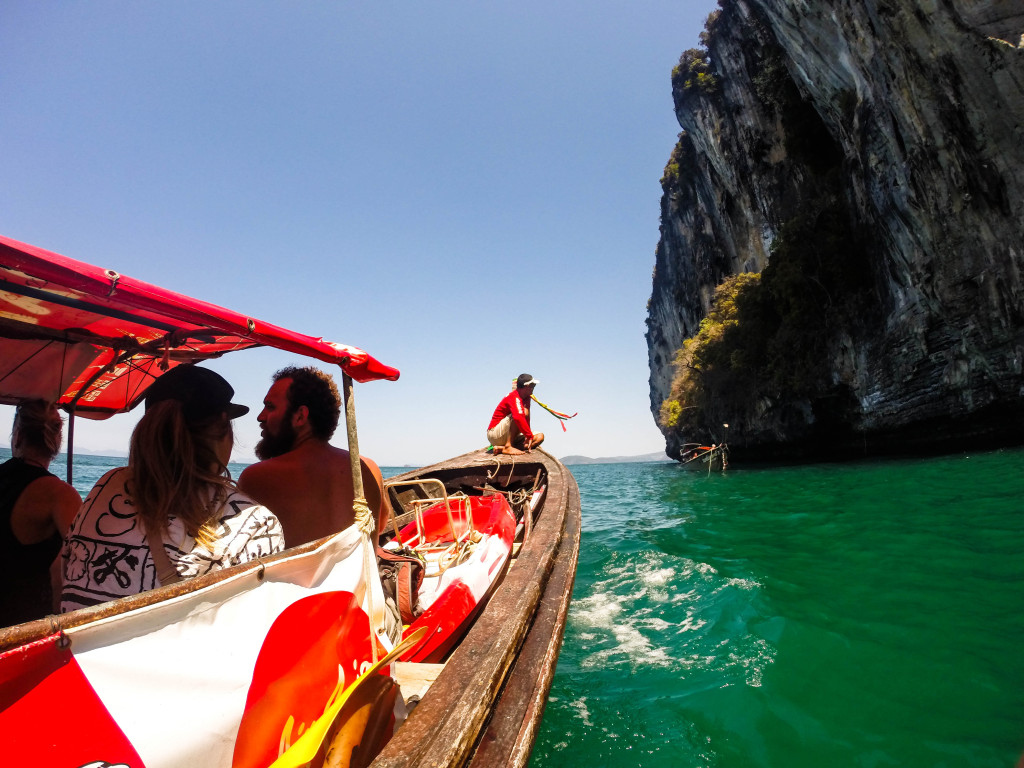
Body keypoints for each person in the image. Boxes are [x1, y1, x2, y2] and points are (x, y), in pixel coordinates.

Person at [60, 365, 284, 612]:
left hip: (74, 648)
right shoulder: (257, 524)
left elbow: (62, 572)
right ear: (222, 427)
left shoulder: (106, 484)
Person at [239, 366, 386, 548]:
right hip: (362, 577)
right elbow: (380, 526)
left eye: (270, 407)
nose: (260, 417)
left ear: (300, 416)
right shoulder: (368, 469)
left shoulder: (256, 478)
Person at [1, 400, 82, 625]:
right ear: (56, 440)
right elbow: (85, 559)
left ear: (17, 435)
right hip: (23, 625)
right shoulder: (59, 494)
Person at [486, 373, 545, 455]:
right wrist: (528, 436)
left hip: (508, 434)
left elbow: (527, 418)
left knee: (540, 437)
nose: (534, 387)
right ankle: (508, 446)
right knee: (519, 413)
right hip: (495, 434)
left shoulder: (527, 397)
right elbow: (518, 417)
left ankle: (503, 448)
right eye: (533, 385)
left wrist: (529, 437)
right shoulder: (513, 397)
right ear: (526, 386)